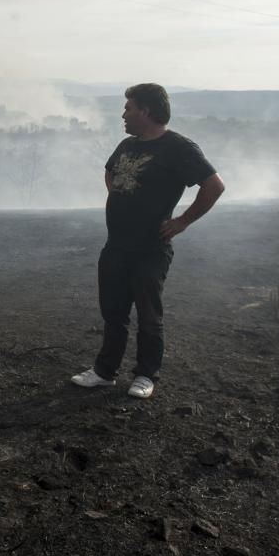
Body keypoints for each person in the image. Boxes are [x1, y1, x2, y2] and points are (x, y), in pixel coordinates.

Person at [71, 83, 225, 398]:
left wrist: (183, 221)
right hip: (116, 245)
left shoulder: (178, 147)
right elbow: (110, 171)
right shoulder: (127, 145)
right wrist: (118, 191)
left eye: (129, 108)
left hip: (150, 249)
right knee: (113, 312)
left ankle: (145, 375)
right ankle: (105, 371)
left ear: (147, 110)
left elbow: (214, 186)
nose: (123, 114)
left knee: (148, 314)